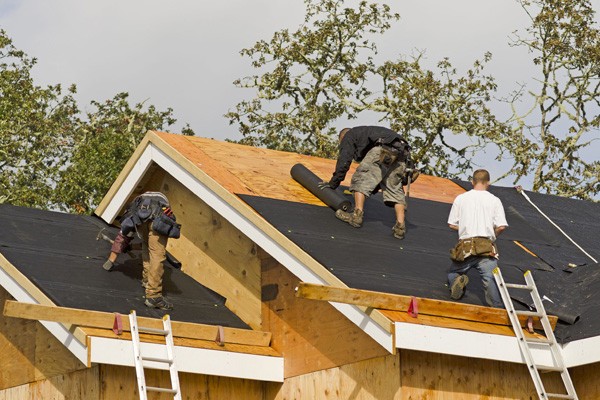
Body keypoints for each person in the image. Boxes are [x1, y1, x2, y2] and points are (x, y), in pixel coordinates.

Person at [320, 126, 418, 239]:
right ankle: (400, 227)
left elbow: (344, 160)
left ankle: (356, 216)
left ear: (342, 138)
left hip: (384, 149)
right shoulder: (369, 133)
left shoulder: (349, 135)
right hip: (403, 154)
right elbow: (377, 175)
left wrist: (333, 183)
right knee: (395, 189)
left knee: (361, 178)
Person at [102, 191, 181, 310]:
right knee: (156, 255)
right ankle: (153, 296)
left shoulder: (135, 213)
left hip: (148, 214)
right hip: (159, 216)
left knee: (147, 247)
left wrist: (110, 261)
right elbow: (153, 247)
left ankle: (146, 281)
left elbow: (122, 237)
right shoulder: (157, 207)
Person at [447, 169, 508, 308]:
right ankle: (496, 308)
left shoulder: (461, 198)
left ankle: (457, 280)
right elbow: (501, 227)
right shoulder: (494, 200)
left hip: (466, 245)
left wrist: (465, 228)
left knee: (453, 272)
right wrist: (493, 236)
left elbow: (452, 224)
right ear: (488, 183)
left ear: (472, 182)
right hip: (486, 245)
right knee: (490, 278)